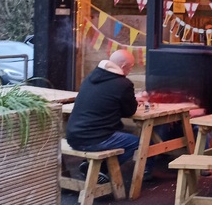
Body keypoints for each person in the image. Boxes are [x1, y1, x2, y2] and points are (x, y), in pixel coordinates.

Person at [66, 50, 154, 183]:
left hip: (73, 136)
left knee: (122, 136)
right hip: (95, 138)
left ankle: (91, 166)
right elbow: (129, 111)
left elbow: (108, 98)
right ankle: (102, 168)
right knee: (140, 143)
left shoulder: (91, 77)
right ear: (123, 66)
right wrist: (133, 100)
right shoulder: (123, 84)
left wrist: (130, 98)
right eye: (131, 67)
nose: (130, 70)